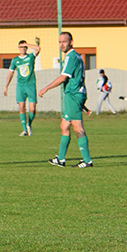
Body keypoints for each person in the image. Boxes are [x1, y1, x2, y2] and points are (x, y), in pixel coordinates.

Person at [38, 32, 93, 168]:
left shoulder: (71, 57)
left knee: (78, 128)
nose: (61, 44)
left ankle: (87, 161)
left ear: (71, 42)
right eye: (60, 42)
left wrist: (46, 88)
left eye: (64, 41)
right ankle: (61, 159)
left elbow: (63, 77)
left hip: (73, 94)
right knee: (64, 126)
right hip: (74, 95)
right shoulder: (77, 56)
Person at [3, 40, 41, 136]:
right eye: (21, 47)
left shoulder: (30, 57)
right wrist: (6, 86)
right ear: (18, 48)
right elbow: (10, 73)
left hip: (30, 85)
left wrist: (27, 44)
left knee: (32, 109)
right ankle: (24, 130)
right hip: (21, 86)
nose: (23, 49)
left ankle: (29, 124)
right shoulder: (15, 60)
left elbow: (38, 48)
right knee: (21, 107)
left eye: (24, 47)